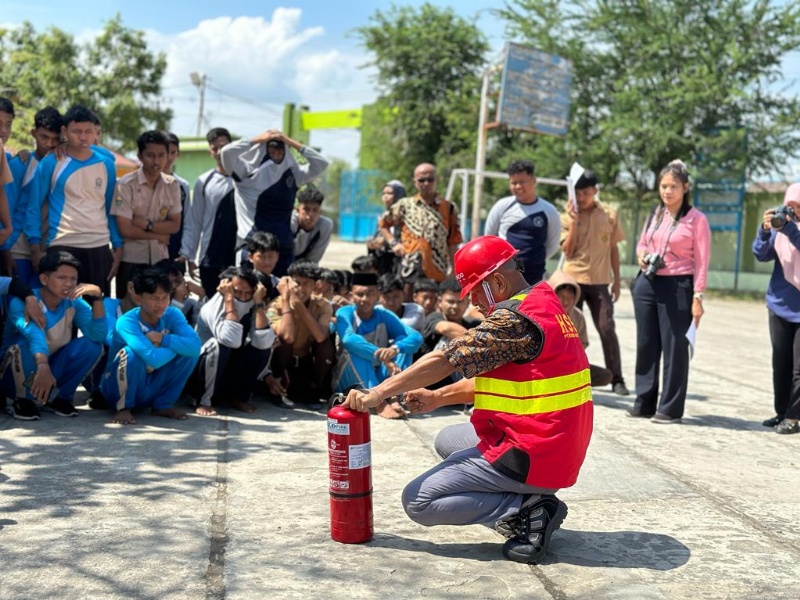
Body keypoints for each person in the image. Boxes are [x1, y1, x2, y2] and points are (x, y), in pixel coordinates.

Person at [344, 235, 593, 564]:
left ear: (498, 281)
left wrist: (377, 392)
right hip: (557, 443)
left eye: (475, 289)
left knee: (418, 501)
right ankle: (532, 495)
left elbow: (445, 360)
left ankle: (528, 507)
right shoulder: (541, 300)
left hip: (535, 451)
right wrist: (437, 397)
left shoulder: (512, 320)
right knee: (448, 439)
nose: (474, 302)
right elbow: (514, 381)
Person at [630, 160, 710, 423]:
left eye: (673, 186)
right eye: (663, 186)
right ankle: (644, 401)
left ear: (685, 187)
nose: (667, 191)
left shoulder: (696, 220)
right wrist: (642, 254)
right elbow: (642, 242)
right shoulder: (655, 213)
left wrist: (698, 296)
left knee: (675, 346)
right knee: (646, 344)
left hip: (678, 285)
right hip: (648, 282)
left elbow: (702, 261)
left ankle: (670, 408)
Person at [27, 104, 122, 296]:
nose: (83, 137)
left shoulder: (107, 164)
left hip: (99, 246)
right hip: (62, 244)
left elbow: (110, 208)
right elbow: (34, 206)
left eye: (88, 131)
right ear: (64, 131)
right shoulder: (52, 162)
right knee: (65, 316)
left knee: (96, 312)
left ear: (96, 132)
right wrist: (35, 247)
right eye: (76, 131)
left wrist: (118, 246)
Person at [2, 250, 106, 420]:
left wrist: (97, 298)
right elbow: (33, 335)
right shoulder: (23, 302)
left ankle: (60, 397)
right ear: (44, 279)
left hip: (47, 365)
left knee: (92, 346)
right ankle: (19, 399)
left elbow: (97, 335)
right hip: (16, 369)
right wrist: (42, 364)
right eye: (62, 278)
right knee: (24, 345)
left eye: (73, 279)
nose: (69, 284)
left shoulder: (74, 302)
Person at [220, 129, 328, 276]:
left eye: (280, 151)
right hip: (252, 245)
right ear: (263, 151)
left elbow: (321, 163)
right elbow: (226, 153)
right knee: (247, 294)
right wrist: (257, 139)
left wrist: (290, 142)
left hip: (282, 248)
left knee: (281, 296)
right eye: (272, 151)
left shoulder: (294, 175)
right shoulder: (247, 174)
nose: (276, 156)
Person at [100, 267, 201, 425]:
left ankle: (163, 405)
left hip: (150, 385)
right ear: (138, 298)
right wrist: (176, 345)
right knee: (131, 354)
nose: (161, 304)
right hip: (115, 387)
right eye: (154, 298)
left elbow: (196, 347)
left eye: (165, 297)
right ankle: (124, 407)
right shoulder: (127, 321)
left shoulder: (173, 314)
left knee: (189, 354)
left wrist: (162, 339)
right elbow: (153, 359)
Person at [560, 169, 628, 395]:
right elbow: (567, 252)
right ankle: (568, 377)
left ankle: (617, 378)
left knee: (607, 327)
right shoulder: (567, 216)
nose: (580, 197)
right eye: (577, 193)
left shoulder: (609, 214)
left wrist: (617, 280)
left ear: (595, 191)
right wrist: (575, 220)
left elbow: (613, 249)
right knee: (568, 330)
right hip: (573, 282)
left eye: (585, 193)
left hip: (600, 280)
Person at [333, 271, 423, 419]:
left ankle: (393, 395)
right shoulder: (345, 312)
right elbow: (348, 339)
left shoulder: (383, 314)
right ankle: (378, 404)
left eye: (370, 294)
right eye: (359, 294)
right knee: (355, 349)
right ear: (351, 296)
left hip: (380, 376)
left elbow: (415, 337)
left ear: (378, 295)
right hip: (349, 379)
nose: (365, 299)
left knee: (402, 345)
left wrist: (395, 349)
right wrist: (383, 358)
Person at [188, 266, 273, 416]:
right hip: (202, 372)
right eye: (237, 292)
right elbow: (230, 340)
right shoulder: (212, 307)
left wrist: (258, 302)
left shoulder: (253, 304)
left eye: (248, 293)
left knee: (263, 345)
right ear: (225, 287)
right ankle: (203, 400)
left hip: (227, 372)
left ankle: (240, 397)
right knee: (219, 345)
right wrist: (229, 299)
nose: (243, 297)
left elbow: (264, 341)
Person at [753, 183, 800, 434]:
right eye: (789, 207)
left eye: (798, 208)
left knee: (799, 369)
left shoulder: (791, 230)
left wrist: (791, 230)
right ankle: (782, 412)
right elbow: (760, 254)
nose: (792, 212)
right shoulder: (779, 229)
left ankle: (793, 418)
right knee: (780, 364)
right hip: (779, 305)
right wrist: (764, 230)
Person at [111, 130, 182, 297]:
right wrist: (157, 236)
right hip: (131, 260)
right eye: (150, 155)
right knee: (129, 313)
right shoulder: (125, 184)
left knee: (158, 312)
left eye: (161, 155)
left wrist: (147, 224)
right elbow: (125, 229)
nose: (156, 161)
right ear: (140, 156)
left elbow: (174, 225)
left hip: (160, 260)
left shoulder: (172, 185)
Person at [378, 163, 462, 299]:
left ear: (437, 180)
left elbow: (453, 241)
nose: (426, 183)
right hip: (409, 269)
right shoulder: (404, 205)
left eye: (430, 180)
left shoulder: (448, 208)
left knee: (433, 308)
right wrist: (393, 243)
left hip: (437, 269)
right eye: (421, 180)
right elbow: (383, 224)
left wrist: (454, 271)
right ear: (415, 182)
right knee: (408, 307)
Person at [267, 261, 334, 409]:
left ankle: (315, 388)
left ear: (315, 285)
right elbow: (287, 336)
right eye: (297, 283)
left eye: (306, 284)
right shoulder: (276, 305)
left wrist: (299, 305)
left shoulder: (323, 305)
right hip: (283, 359)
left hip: (306, 359)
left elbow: (320, 337)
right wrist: (287, 301)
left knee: (326, 346)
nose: (301, 288)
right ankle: (281, 388)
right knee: (283, 341)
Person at [180, 127, 237, 296]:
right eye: (215, 148)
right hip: (210, 257)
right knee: (210, 304)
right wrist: (191, 258)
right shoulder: (203, 182)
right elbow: (196, 222)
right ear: (210, 151)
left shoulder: (245, 179)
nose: (220, 152)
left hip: (238, 257)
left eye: (224, 146)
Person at [484, 159, 561, 285]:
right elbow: (489, 238)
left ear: (534, 181)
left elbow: (552, 245)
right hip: (505, 277)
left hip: (535, 277)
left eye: (522, 182)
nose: (518, 186)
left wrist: (534, 259)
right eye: (514, 183)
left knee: (530, 305)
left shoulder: (549, 211)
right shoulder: (502, 206)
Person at [11, 107, 63, 285]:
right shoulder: (21, 164)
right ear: (33, 133)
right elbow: (7, 207)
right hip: (19, 246)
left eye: (56, 139)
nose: (49, 144)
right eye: (44, 137)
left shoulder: (64, 164)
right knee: (17, 303)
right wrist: (5, 251)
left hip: (50, 247)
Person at [549, 270, 613, 388]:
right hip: (547, 365)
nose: (566, 301)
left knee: (605, 376)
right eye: (562, 297)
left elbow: (583, 343)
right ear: (553, 295)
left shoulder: (577, 316)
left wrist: (570, 356)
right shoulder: (543, 314)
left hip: (569, 364)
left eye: (570, 297)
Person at [367, 179, 406, 275]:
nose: (385, 196)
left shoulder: (406, 215)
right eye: (383, 193)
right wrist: (373, 243)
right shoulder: (384, 215)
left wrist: (385, 242)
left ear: (399, 194)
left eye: (390, 193)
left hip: (400, 262)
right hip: (384, 260)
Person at [165, 132, 191, 264]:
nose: (169, 157)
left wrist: (185, 251)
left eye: (173, 152)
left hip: (175, 251)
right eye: (165, 152)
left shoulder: (182, 185)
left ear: (178, 154)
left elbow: (187, 221)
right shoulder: (143, 183)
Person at [291, 185, 333, 263]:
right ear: (297, 210)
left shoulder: (325, 226)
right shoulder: (290, 222)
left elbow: (314, 260)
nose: (310, 214)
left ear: (320, 212)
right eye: (306, 209)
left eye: (315, 210)